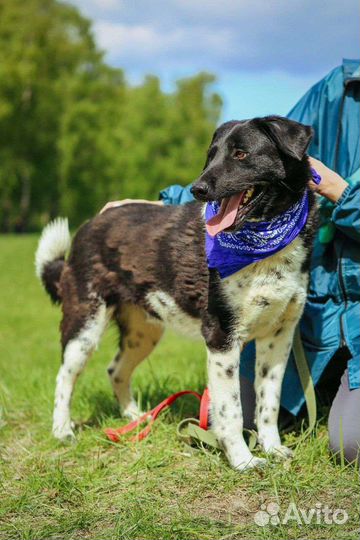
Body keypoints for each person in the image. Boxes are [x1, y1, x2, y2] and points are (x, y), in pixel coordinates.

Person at [101, 59, 360, 464]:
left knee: (352, 444)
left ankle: (336, 397)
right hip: (320, 317)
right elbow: (257, 146)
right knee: (235, 414)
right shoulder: (338, 87)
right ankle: (303, 409)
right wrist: (159, 205)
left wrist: (341, 192)